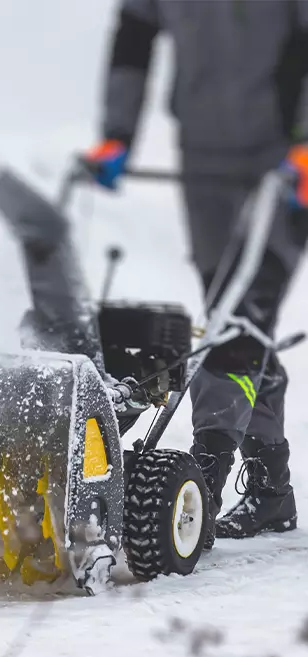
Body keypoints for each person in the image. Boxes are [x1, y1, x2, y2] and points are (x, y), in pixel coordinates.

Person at [86, 0, 308, 548]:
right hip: (203, 158)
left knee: (239, 320)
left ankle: (202, 485)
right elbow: (134, 39)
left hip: (286, 161)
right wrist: (117, 133)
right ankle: (271, 491)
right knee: (234, 318)